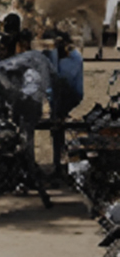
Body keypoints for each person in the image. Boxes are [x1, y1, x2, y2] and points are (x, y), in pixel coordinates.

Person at [46, 34, 86, 172]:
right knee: (57, 131)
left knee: (58, 129)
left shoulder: (73, 59)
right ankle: (58, 161)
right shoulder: (70, 57)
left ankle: (59, 163)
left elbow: (61, 82)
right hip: (64, 98)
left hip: (69, 97)